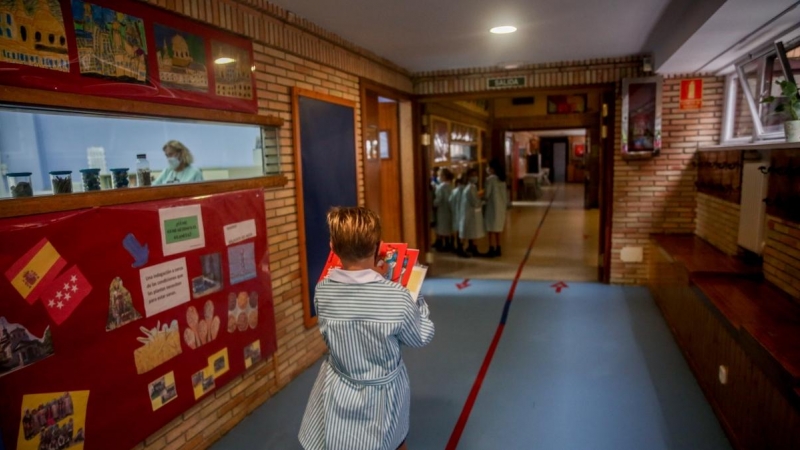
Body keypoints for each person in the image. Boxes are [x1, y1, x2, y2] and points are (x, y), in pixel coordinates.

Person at [298, 207, 434, 450]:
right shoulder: (398, 297)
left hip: (339, 386)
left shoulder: (322, 290)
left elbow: (353, 306)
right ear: (379, 247)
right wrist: (416, 299)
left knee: (341, 439)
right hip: (383, 395)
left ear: (333, 246)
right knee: (391, 440)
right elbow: (421, 336)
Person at [483, 160, 508, 257]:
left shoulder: (490, 180)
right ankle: (498, 247)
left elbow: (487, 194)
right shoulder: (502, 180)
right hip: (500, 207)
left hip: (492, 207)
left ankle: (491, 247)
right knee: (498, 229)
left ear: (492, 169)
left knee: (490, 229)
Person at [459, 168, 486, 257]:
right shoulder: (470, 188)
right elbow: (475, 201)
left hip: (471, 213)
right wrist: (483, 202)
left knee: (472, 231)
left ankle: (473, 247)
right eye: (473, 175)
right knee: (466, 231)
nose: (475, 177)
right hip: (469, 213)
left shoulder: (472, 187)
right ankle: (461, 249)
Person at [433, 168, 454, 251]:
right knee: (449, 227)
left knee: (442, 228)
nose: (438, 177)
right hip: (450, 210)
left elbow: (438, 199)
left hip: (442, 210)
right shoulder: (451, 186)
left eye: (439, 175)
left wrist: (434, 204)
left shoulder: (441, 188)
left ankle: (443, 245)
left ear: (444, 176)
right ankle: (450, 243)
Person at [449, 173, 468, 258]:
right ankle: (461, 248)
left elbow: (450, 201)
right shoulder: (465, 190)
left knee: (456, 231)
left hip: (455, 213)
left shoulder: (454, 191)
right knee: (462, 232)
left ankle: (456, 246)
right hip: (462, 214)